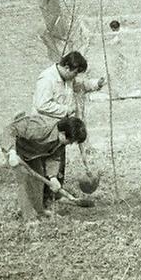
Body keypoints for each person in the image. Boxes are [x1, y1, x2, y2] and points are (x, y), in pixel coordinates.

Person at [32, 51, 104, 183]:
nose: (75, 76)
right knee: (45, 164)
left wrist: (96, 84)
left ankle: (57, 194)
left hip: (60, 129)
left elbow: (81, 85)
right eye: (75, 73)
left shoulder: (67, 78)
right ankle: (45, 196)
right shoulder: (47, 79)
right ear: (67, 67)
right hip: (45, 131)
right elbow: (41, 105)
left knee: (58, 160)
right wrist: (66, 110)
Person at [0, 114, 88, 221]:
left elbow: (54, 157)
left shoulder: (60, 141)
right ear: (63, 134)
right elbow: (10, 130)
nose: (70, 144)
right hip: (16, 150)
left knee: (38, 182)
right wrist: (11, 152)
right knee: (25, 181)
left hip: (33, 152)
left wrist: (53, 177)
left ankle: (39, 211)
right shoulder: (40, 127)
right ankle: (30, 219)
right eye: (70, 141)